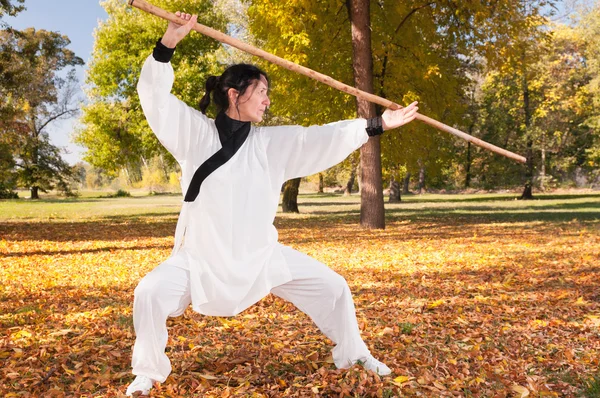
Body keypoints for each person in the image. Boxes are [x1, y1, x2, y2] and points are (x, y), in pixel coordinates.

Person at [126, 11, 419, 396]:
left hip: (260, 256)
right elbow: (156, 100)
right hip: (200, 258)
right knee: (149, 292)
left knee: (334, 288)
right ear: (235, 95)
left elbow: (318, 139)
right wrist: (168, 43)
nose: (267, 100)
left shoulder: (270, 144)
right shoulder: (194, 134)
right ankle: (146, 372)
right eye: (261, 92)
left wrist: (377, 125)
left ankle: (354, 353)